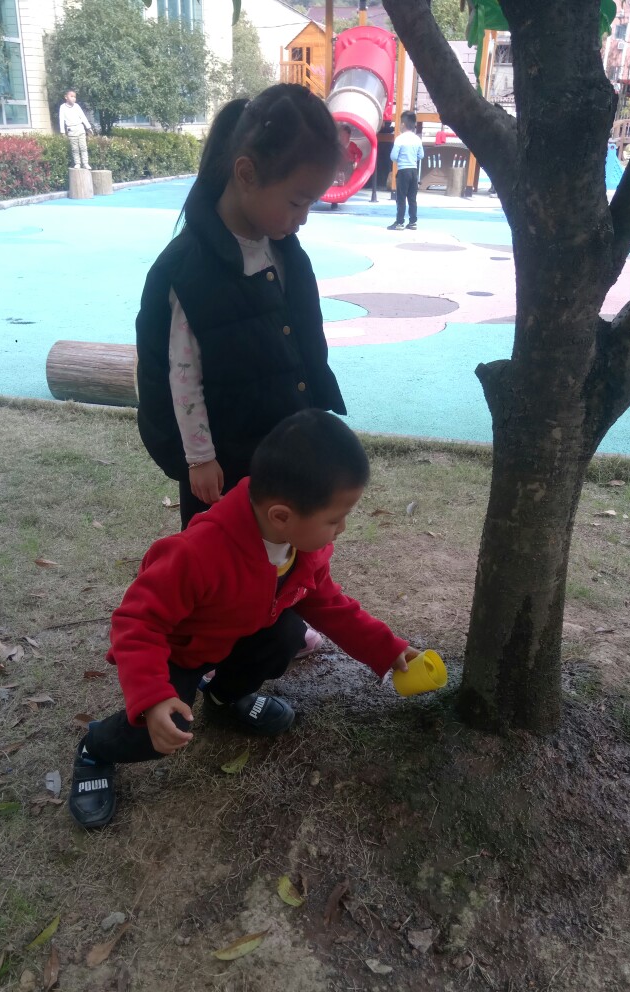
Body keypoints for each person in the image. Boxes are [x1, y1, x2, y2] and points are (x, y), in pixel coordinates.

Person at [68, 411, 421, 829]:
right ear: (281, 516)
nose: (341, 529)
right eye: (334, 519)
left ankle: (224, 698)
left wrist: (387, 649)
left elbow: (329, 604)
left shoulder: (301, 548)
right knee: (158, 730)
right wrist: (152, 696)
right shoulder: (196, 553)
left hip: (235, 636)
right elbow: (137, 622)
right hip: (178, 654)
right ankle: (96, 749)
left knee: (286, 634)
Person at [135, 84, 346, 531]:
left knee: (288, 553)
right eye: (297, 201)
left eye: (311, 203)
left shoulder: (284, 253)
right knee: (225, 563)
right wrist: (199, 458)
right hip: (224, 471)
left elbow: (302, 347)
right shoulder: (188, 271)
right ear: (247, 174)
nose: (303, 218)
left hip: (287, 458)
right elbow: (181, 376)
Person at [387, 111, 424, 231]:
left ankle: (399, 222)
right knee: (412, 198)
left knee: (401, 198)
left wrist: (401, 159)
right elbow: (421, 155)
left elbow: (393, 156)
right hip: (414, 171)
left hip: (403, 171)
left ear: (403, 124)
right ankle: (413, 222)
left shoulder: (400, 139)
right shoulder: (417, 139)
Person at [59, 90, 93, 170]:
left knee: (83, 147)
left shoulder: (77, 106)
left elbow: (83, 117)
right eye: (71, 96)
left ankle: (85, 163)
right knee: (75, 149)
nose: (73, 98)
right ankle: (77, 163)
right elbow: (61, 120)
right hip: (71, 130)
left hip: (80, 129)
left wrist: (88, 127)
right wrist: (62, 132)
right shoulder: (62, 107)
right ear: (66, 97)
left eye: (75, 97)